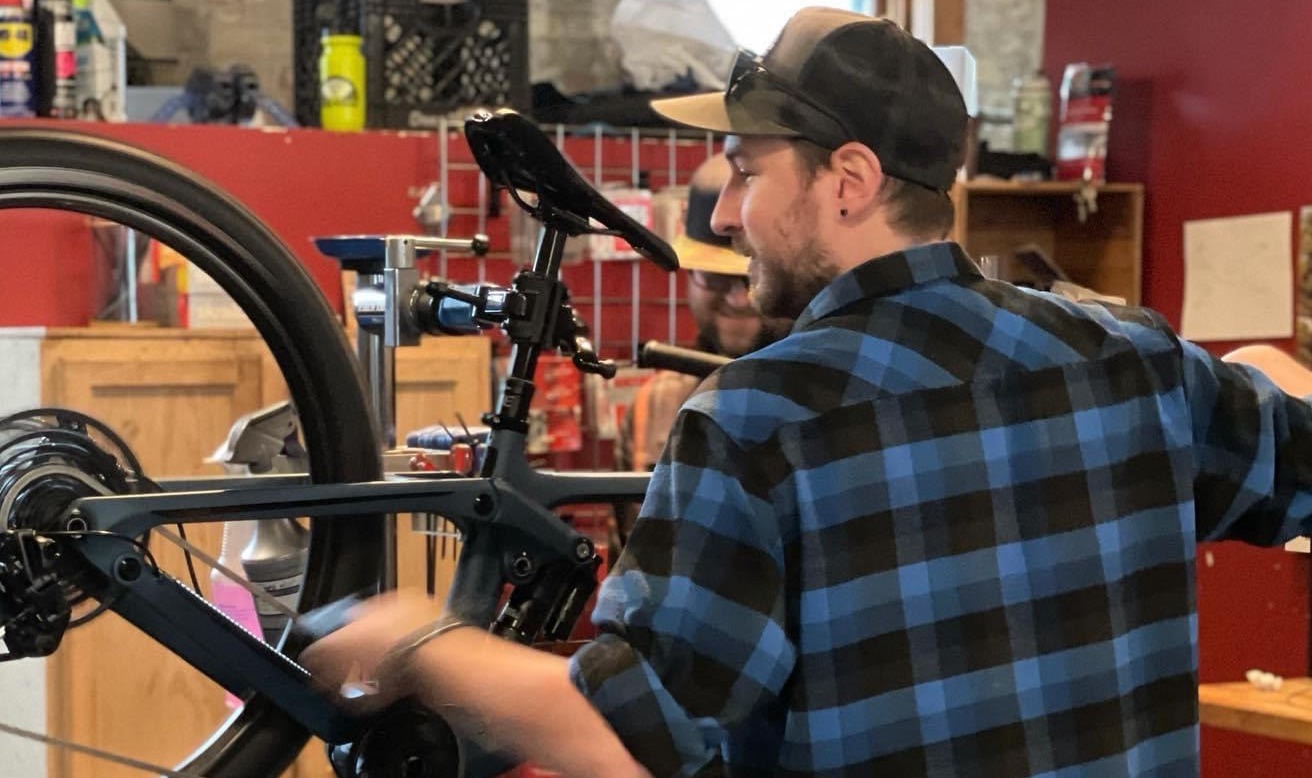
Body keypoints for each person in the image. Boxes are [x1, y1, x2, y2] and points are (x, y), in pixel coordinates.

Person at [305, 8, 1312, 777]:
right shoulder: (1137, 358)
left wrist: (422, 645)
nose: (727, 215)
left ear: (849, 180)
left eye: (747, 172)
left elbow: (629, 735)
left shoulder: (755, 423)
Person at [614, 156, 792, 550]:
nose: (738, 300)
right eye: (714, 277)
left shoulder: (825, 398)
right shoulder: (655, 405)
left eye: (752, 277)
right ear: (690, 277)